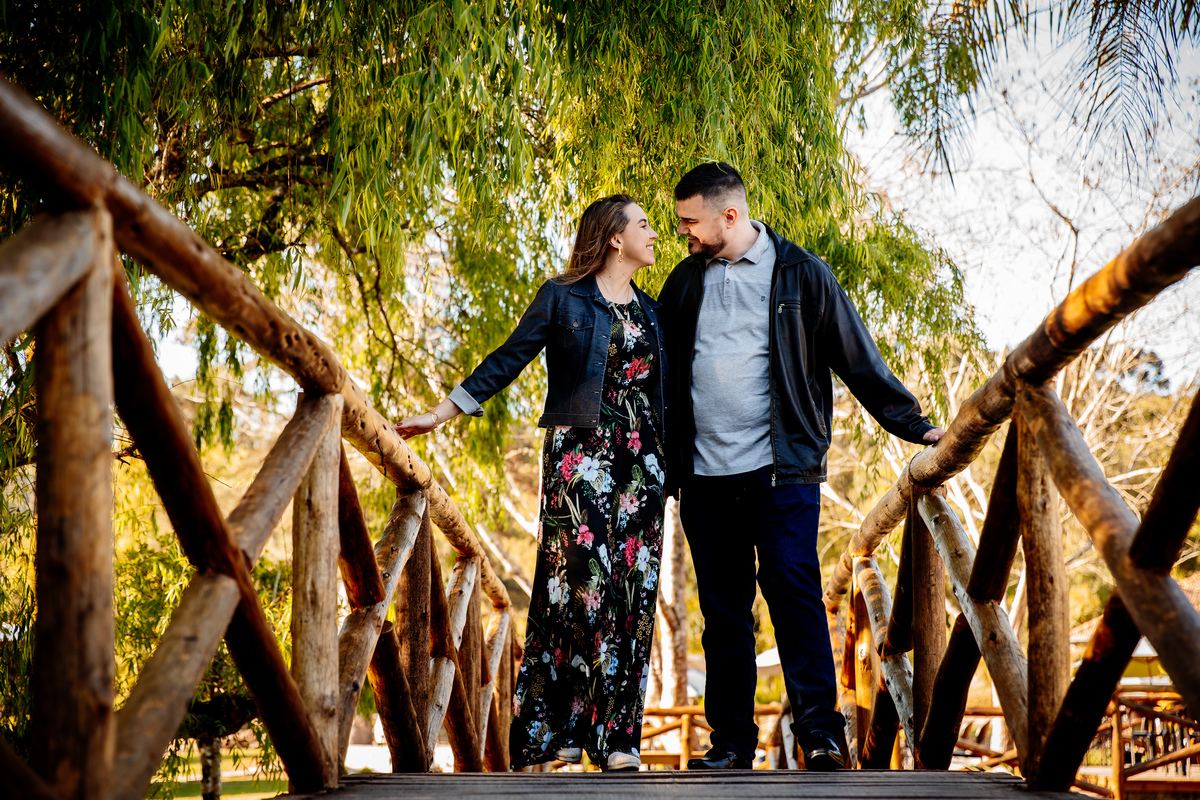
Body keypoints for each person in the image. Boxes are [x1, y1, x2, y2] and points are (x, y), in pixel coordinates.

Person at [656, 162, 944, 771]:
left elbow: (855, 357)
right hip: (705, 478)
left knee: (794, 594)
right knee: (723, 613)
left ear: (728, 216)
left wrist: (914, 424)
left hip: (780, 471)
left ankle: (821, 735)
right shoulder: (683, 283)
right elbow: (650, 374)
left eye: (691, 222)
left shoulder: (802, 275)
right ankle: (730, 745)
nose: (682, 231)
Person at [395, 194, 668, 772]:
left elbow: (669, 396)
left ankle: (619, 739)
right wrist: (440, 413)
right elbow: (508, 359)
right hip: (580, 458)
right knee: (579, 586)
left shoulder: (652, 312)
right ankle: (566, 728)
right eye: (643, 224)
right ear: (615, 238)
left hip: (642, 462)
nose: (654, 232)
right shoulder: (561, 297)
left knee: (633, 594)